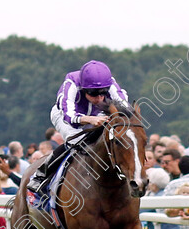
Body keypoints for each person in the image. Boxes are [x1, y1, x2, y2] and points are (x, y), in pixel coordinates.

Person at [27, 60, 129, 192]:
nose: (99, 98)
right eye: (93, 93)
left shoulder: (110, 83)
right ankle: (41, 175)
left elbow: (124, 105)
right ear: (83, 88)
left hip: (96, 115)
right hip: (64, 115)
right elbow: (69, 116)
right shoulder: (71, 83)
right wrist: (89, 119)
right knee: (76, 140)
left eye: (102, 92)